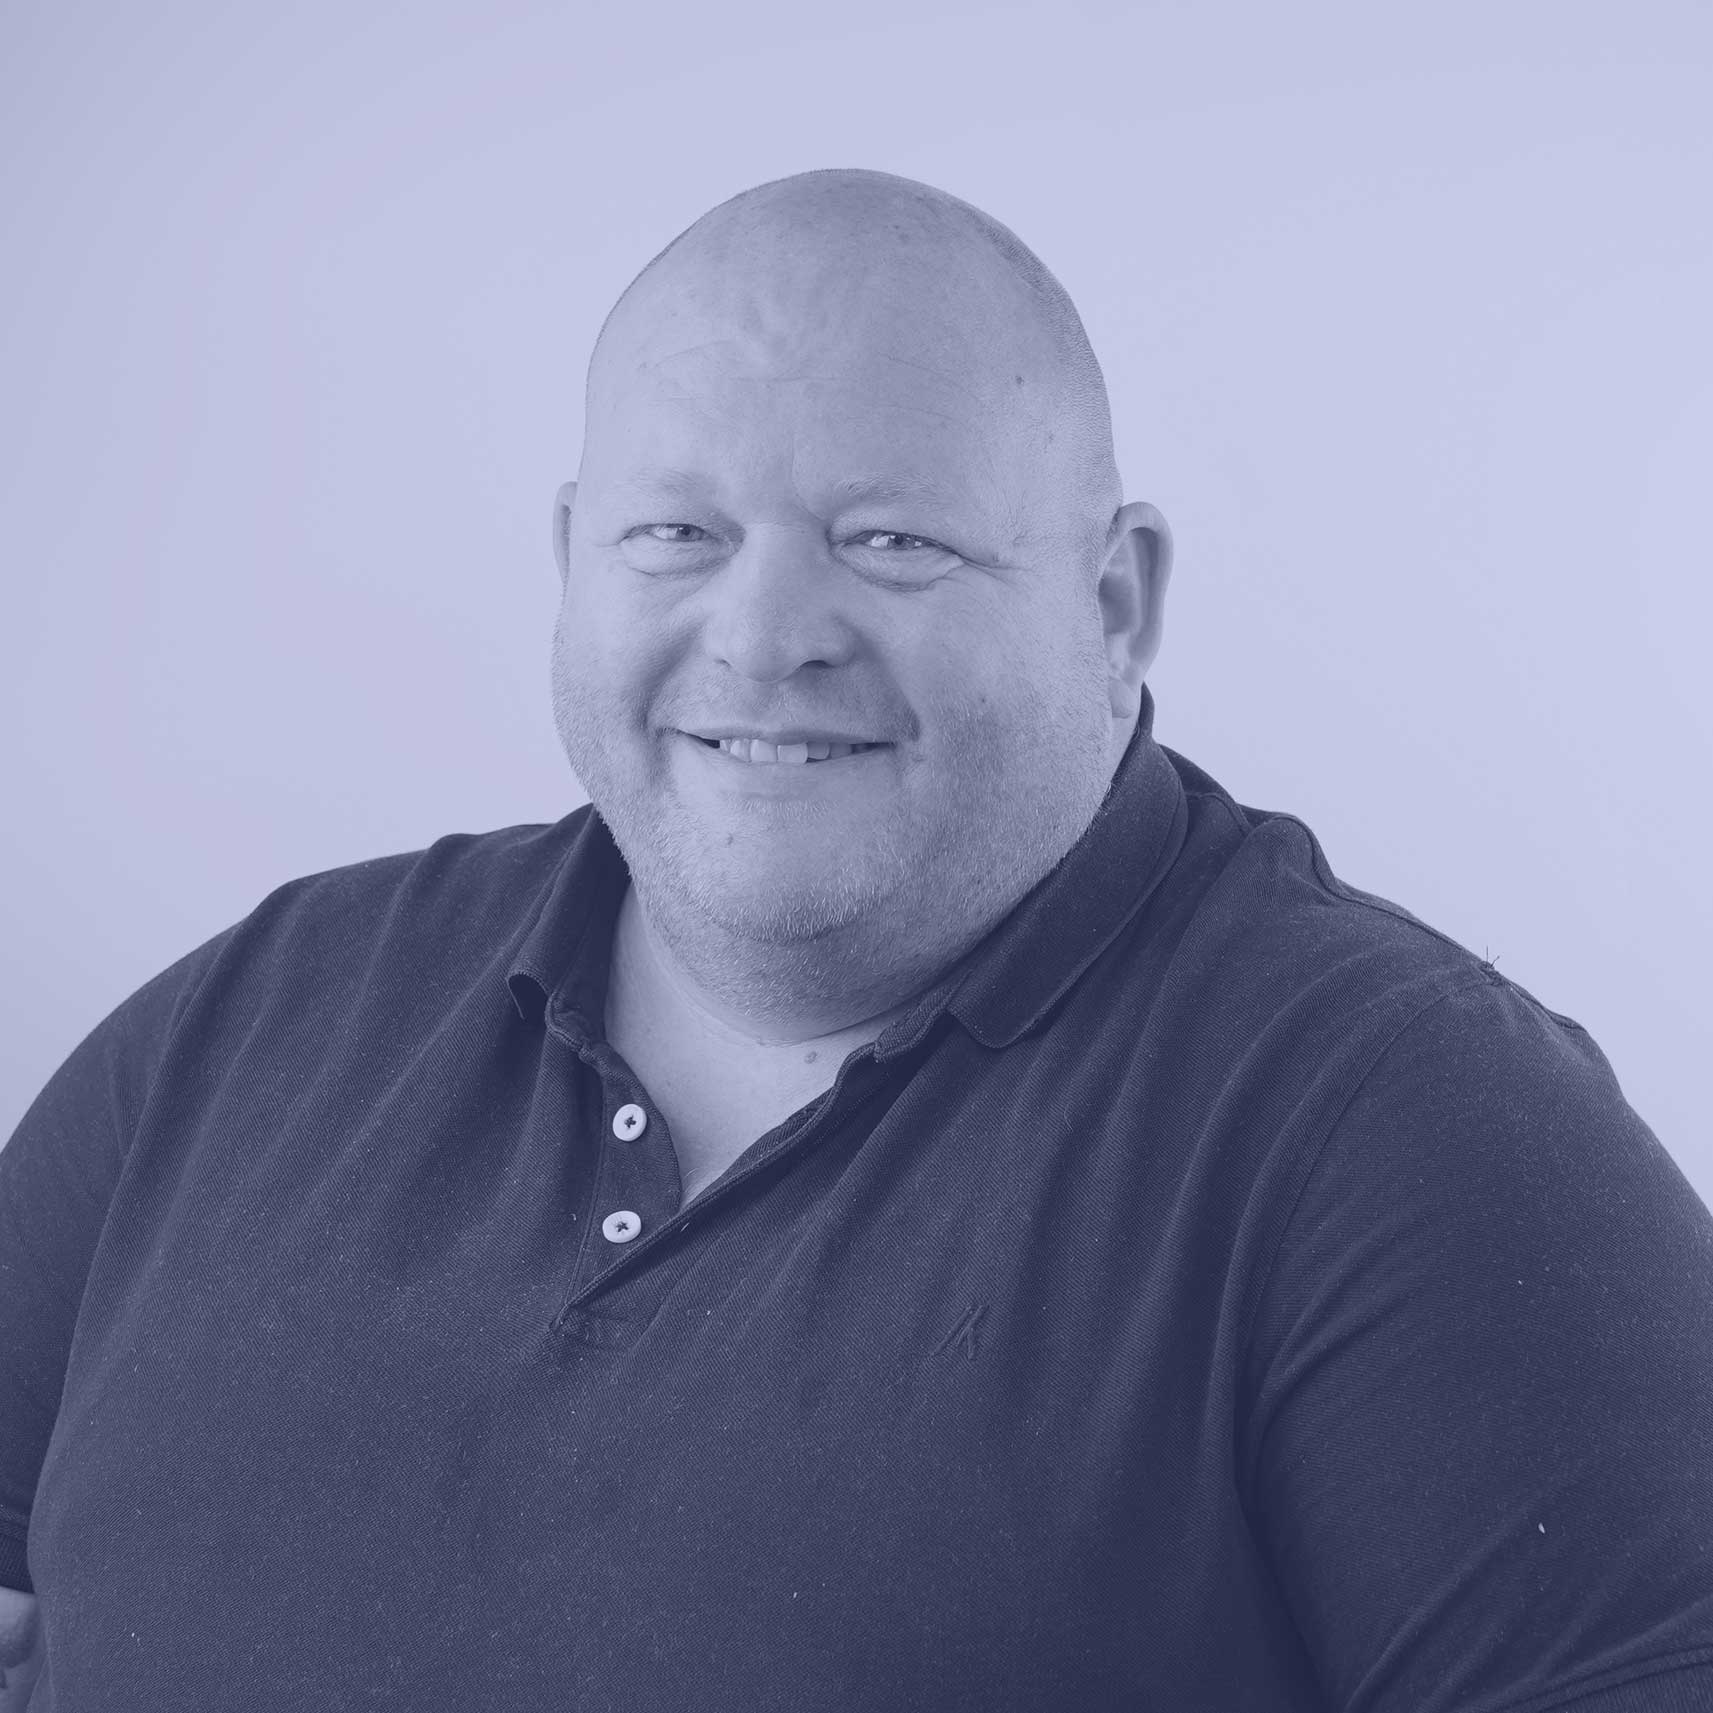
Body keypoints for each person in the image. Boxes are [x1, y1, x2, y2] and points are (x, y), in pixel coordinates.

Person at [2, 166, 1710, 1712]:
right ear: (573, 558)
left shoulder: (1416, 1136)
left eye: (890, 542)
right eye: (677, 534)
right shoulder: (250, 1024)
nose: (762, 635)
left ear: (1113, 599)